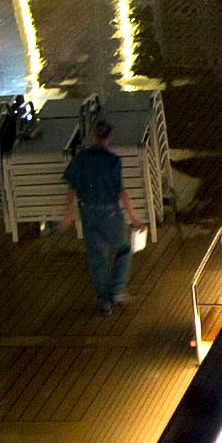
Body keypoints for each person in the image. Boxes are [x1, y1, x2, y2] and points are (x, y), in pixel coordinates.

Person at [65, 117, 132, 314]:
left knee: (97, 257)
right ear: (109, 138)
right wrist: (134, 217)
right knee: (124, 249)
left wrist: (67, 213)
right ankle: (117, 291)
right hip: (110, 213)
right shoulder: (113, 161)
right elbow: (121, 192)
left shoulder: (81, 158)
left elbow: (72, 187)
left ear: (94, 137)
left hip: (88, 212)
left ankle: (104, 302)